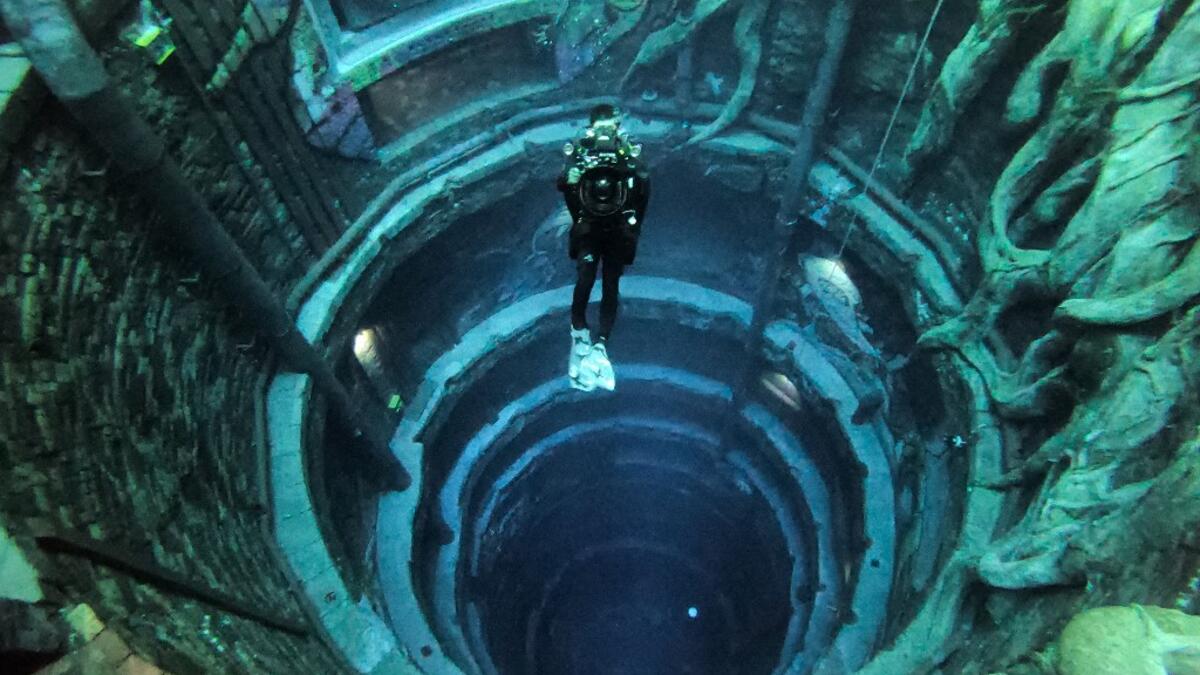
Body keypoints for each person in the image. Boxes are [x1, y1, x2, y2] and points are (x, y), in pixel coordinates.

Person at [557, 104, 650, 391]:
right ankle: (579, 330)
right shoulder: (581, 152)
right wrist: (571, 179)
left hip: (616, 230)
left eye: (611, 127)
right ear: (591, 127)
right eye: (601, 128)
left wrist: (633, 226)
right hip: (589, 227)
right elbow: (563, 184)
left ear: (619, 125)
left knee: (611, 285)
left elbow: (643, 188)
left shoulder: (627, 153)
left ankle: (601, 343)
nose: (606, 133)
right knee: (585, 278)